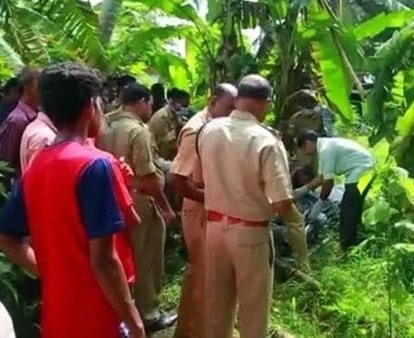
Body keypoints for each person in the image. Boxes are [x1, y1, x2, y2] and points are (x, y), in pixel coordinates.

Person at [0, 62, 144, 338]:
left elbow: (7, 237)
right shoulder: (95, 165)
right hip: (99, 312)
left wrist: (49, 271)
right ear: (91, 107)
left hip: (58, 313)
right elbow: (104, 260)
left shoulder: (37, 166)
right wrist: (134, 323)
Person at [197, 74, 306, 338]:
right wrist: (297, 229)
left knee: (217, 307)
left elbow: (200, 179)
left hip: (213, 229)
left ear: (237, 100)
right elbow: (281, 202)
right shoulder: (266, 140)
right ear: (265, 103)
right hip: (250, 233)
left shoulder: (209, 130)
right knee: (253, 312)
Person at [101, 83, 177, 333]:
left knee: (119, 257)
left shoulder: (104, 124)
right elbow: (148, 176)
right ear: (142, 101)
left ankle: (123, 310)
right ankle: (149, 313)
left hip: (111, 198)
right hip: (139, 199)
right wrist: (165, 207)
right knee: (146, 257)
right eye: (150, 103)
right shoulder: (138, 130)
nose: (151, 108)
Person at [170, 83, 237, 338]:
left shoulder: (218, 129)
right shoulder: (196, 131)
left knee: (201, 277)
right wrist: (213, 198)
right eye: (229, 108)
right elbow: (177, 180)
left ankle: (188, 331)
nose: (232, 114)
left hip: (209, 206)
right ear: (212, 101)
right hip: (199, 209)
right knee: (206, 279)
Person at [297, 130, 374, 250]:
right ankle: (355, 239)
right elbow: (322, 177)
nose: (305, 153)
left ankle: (346, 245)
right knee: (352, 206)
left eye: (303, 148)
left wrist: (320, 203)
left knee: (348, 209)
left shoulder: (325, 150)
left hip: (361, 169)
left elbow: (329, 183)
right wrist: (305, 189)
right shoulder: (325, 147)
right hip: (360, 169)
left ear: (308, 143)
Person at [0, 68, 40, 178]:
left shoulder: (34, 115)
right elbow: (6, 163)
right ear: (27, 87)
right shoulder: (18, 120)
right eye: (39, 85)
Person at [148, 88, 191, 161]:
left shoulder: (175, 115)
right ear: (173, 102)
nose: (185, 108)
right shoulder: (162, 117)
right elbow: (163, 144)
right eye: (183, 105)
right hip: (159, 157)